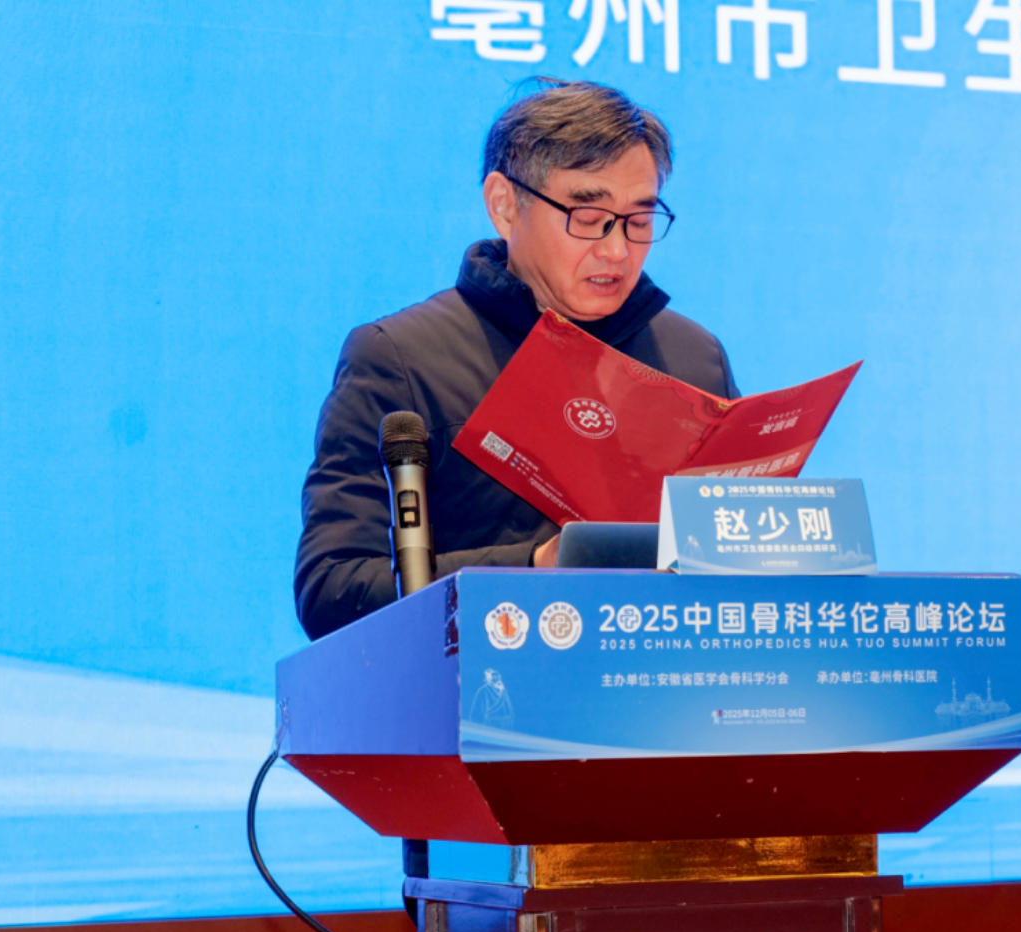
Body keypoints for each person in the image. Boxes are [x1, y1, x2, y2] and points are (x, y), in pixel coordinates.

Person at [294, 80, 738, 640]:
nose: (616, 249)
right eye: (588, 216)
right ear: (504, 205)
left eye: (640, 220)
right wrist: (533, 568)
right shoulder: (402, 358)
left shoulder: (693, 359)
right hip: (478, 685)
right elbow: (332, 590)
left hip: (660, 685)